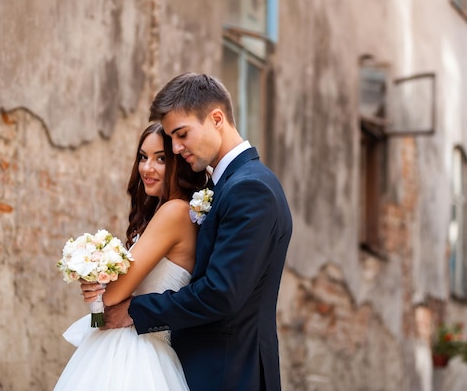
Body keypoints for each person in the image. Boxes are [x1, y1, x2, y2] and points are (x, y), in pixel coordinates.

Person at [84, 72, 293, 391]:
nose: (177, 147)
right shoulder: (226, 186)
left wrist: (136, 312)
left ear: (217, 118)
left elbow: (221, 293)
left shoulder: (250, 189)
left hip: (229, 373)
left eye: (182, 134)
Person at [53, 122, 208, 391]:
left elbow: (112, 297)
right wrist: (96, 294)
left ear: (178, 162)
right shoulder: (162, 214)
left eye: (160, 159)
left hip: (137, 353)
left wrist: (96, 280)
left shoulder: (174, 212)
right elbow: (102, 315)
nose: (147, 168)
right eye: (142, 157)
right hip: (125, 343)